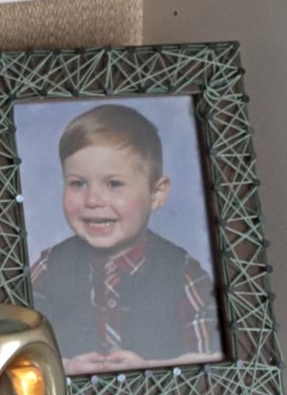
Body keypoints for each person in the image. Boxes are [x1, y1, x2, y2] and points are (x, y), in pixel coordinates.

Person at [29, 102, 221, 373]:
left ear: (157, 194)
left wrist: (152, 370)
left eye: (114, 184)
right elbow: (16, 349)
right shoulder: (50, 267)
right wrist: (63, 368)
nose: (93, 200)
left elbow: (213, 363)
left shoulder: (184, 274)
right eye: (77, 183)